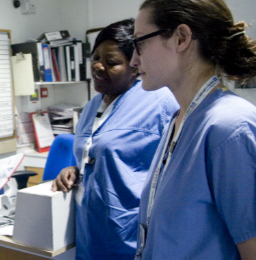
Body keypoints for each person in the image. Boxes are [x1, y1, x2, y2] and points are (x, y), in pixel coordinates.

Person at [130, 0, 256, 260]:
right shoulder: (179, 120)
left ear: (181, 38)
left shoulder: (233, 130)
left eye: (140, 43)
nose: (134, 60)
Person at [52, 18, 178, 260]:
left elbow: (177, 171)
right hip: (91, 230)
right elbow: (98, 156)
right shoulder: (92, 106)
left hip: (133, 234)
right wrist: (74, 170)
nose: (99, 66)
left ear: (135, 65)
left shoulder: (160, 102)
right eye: (96, 58)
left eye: (111, 62)